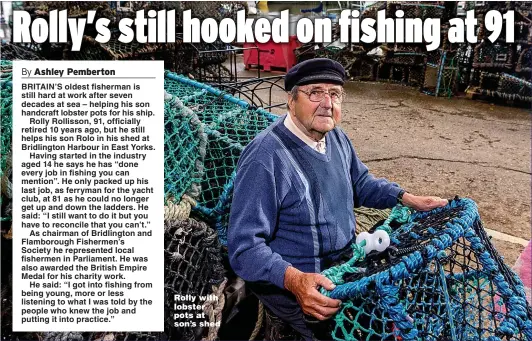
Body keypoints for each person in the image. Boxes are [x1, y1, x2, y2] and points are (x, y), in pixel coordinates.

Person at [227, 58, 448, 340]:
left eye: (334, 94)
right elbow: (244, 248)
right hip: (305, 291)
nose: (327, 103)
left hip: (345, 269)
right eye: (315, 92)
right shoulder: (265, 158)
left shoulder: (336, 137)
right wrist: (295, 280)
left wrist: (406, 198)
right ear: (291, 100)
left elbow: (360, 184)